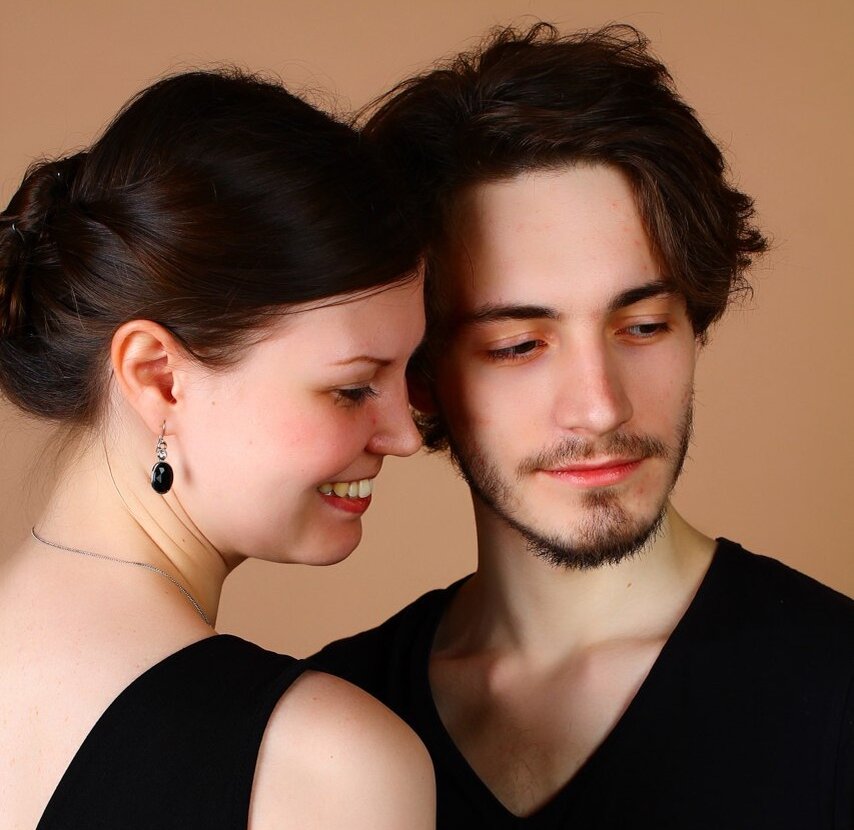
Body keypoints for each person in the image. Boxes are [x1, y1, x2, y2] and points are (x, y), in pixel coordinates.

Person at [312, 23, 854, 829]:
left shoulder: (837, 689)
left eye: (643, 327)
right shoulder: (328, 722)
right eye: (518, 345)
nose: (601, 407)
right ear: (420, 376)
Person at [0, 70, 435, 829]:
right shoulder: (322, 770)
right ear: (159, 377)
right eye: (352, 388)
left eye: (410, 373)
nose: (405, 434)